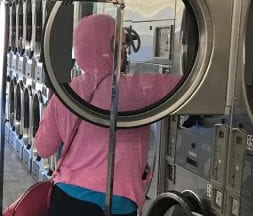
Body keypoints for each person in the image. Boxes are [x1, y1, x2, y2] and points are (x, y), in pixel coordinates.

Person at [34, 14, 181, 216]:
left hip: (67, 197)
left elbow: (43, 148)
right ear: (107, 48)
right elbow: (195, 86)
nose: (125, 51)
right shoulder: (137, 89)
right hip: (115, 202)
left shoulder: (64, 95)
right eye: (120, 44)